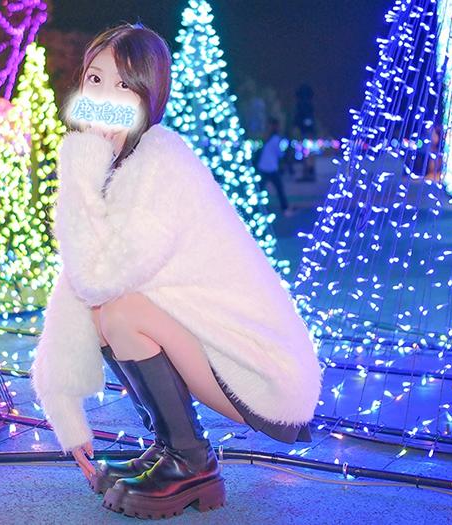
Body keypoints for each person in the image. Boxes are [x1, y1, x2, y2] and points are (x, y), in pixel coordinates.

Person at [30, 22, 323, 519]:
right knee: (106, 312)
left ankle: (191, 461)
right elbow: (73, 296)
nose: (105, 95)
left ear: (148, 93)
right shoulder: (118, 165)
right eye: (96, 79)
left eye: (124, 84)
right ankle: (174, 445)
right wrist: (66, 414)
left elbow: (94, 281)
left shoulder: (163, 163)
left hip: (261, 371)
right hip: (216, 352)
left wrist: (78, 165)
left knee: (119, 311)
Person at [257, 117, 294, 217]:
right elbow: (279, 153)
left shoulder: (267, 137)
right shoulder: (276, 139)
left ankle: (257, 209)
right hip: (271, 167)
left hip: (264, 166)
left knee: (260, 189)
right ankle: (285, 209)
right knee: (279, 189)